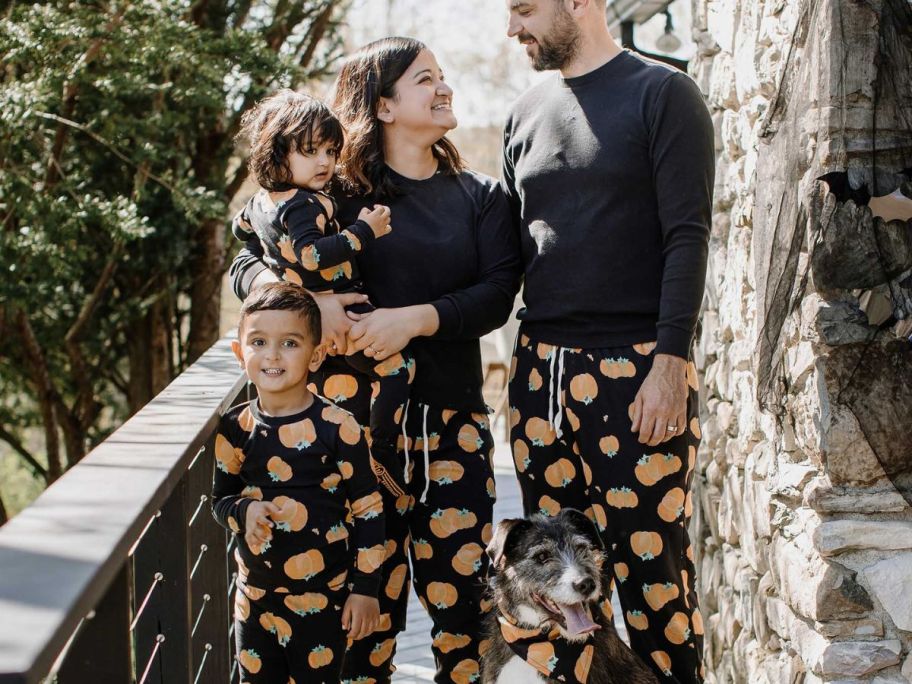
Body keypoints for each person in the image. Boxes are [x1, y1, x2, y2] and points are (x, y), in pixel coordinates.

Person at [230, 37, 522, 684]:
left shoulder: (481, 196)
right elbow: (247, 256)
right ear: (383, 104)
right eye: (426, 79)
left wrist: (411, 321)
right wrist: (311, 300)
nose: (445, 88)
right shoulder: (331, 199)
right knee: (359, 624)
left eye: (444, 77)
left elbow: (497, 295)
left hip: (452, 428)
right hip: (350, 442)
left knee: (464, 618)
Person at [502, 0, 715, 682]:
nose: (514, 28)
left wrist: (670, 363)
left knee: (655, 576)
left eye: (524, 8)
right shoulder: (524, 112)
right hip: (539, 381)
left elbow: (688, 233)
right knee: (559, 587)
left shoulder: (664, 94)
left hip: (635, 371)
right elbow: (510, 254)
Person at [232, 90, 412, 498]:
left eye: (331, 151)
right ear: (275, 153)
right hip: (345, 311)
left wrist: (274, 262)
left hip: (312, 324)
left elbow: (240, 234)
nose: (325, 162)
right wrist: (365, 231)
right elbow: (312, 254)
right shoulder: (303, 203)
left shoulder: (260, 203)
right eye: (310, 150)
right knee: (396, 369)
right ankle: (381, 449)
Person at [211, 283, 385, 683]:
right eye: (258, 341)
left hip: (324, 600)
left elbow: (369, 510)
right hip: (254, 600)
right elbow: (221, 500)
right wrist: (244, 510)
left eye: (289, 343)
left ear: (316, 354)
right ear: (241, 354)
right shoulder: (235, 429)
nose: (272, 354)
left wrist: (365, 589)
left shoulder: (339, 428)